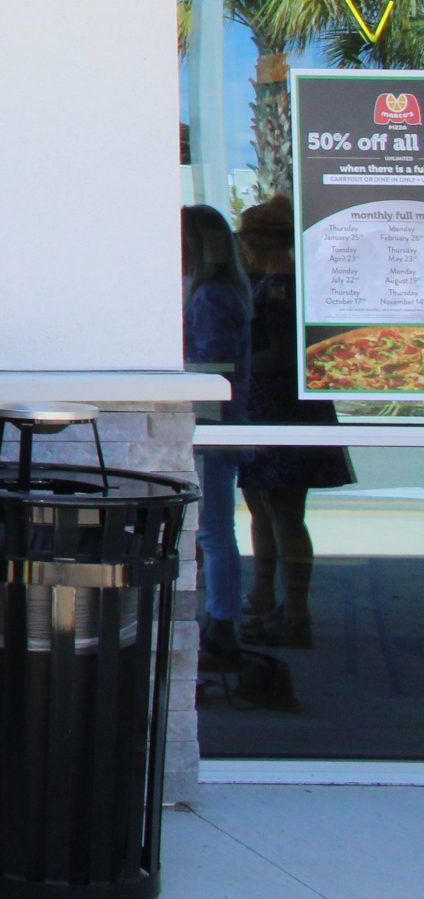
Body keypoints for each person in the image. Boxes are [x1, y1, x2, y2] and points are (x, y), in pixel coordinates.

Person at [233, 194, 354, 648]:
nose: (243, 246)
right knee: (264, 507)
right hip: (267, 409)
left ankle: (295, 612)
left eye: (247, 238)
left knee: (284, 513)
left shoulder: (282, 285)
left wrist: (238, 364)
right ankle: (267, 598)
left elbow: (286, 356)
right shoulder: (273, 280)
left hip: (283, 409)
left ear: (262, 241)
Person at [181, 202, 252, 667]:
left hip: (211, 423)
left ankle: (223, 622)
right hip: (219, 421)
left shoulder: (210, 296)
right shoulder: (219, 290)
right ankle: (221, 617)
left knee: (212, 532)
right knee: (214, 530)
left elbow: (212, 364)